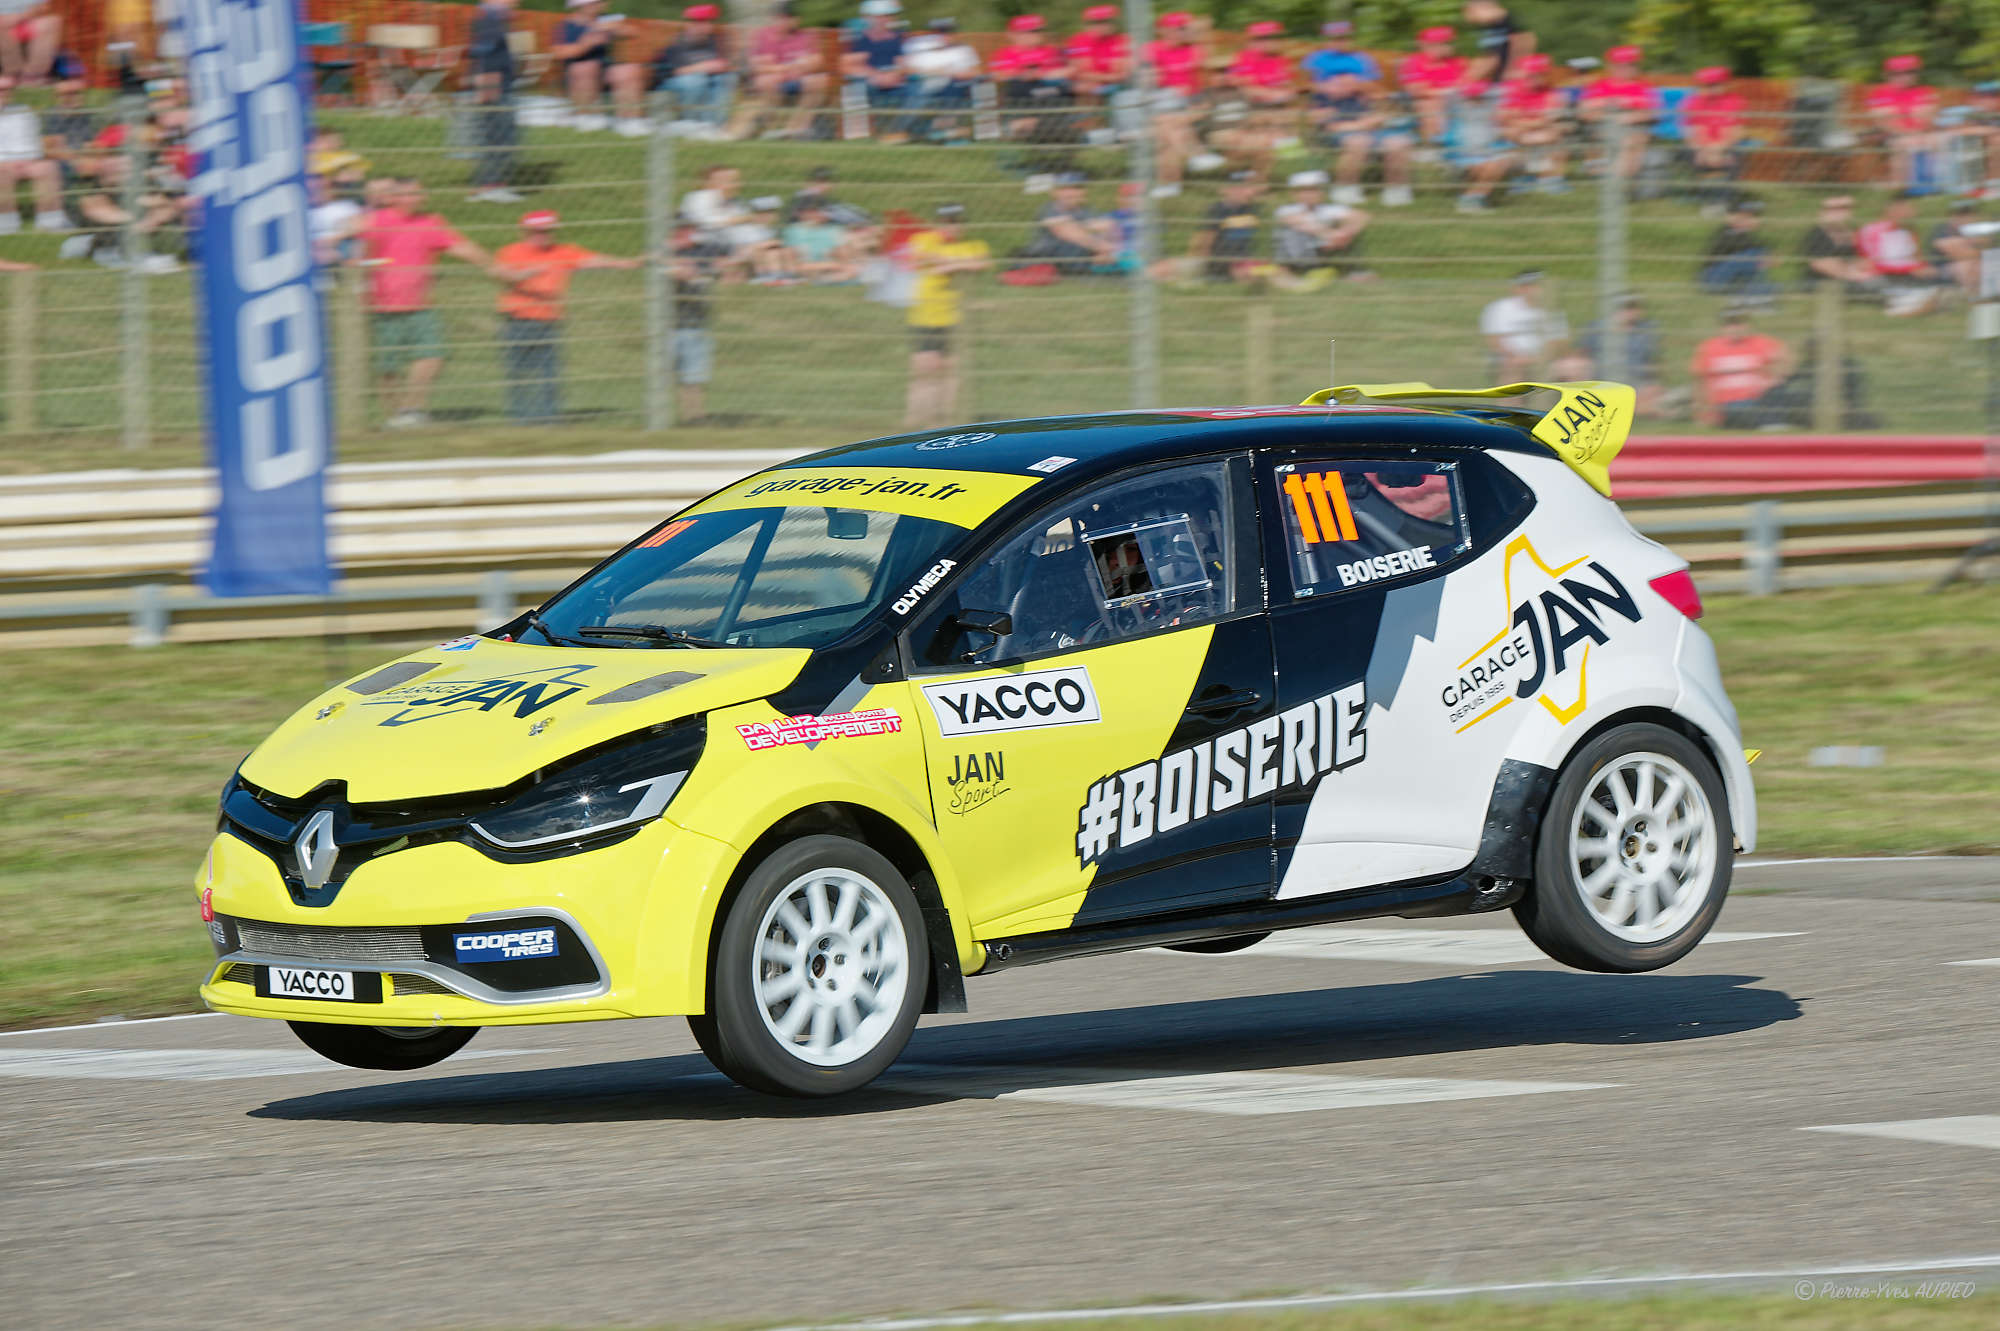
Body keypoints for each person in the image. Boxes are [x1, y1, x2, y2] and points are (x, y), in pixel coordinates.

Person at [357, 178, 494, 429]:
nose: (417, 199)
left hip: (421, 304)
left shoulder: (430, 223)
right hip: (382, 305)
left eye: (419, 194)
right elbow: (349, 238)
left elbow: (463, 248)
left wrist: (493, 266)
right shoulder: (376, 220)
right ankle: (394, 415)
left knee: (432, 354)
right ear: (394, 197)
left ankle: (413, 409)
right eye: (409, 194)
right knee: (387, 366)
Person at [490, 209, 642, 422]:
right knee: (520, 374)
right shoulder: (511, 252)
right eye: (539, 232)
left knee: (549, 375)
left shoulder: (562, 252)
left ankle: (549, 419)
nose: (545, 236)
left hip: (548, 323)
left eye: (549, 231)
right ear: (525, 232)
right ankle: (521, 419)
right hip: (518, 322)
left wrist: (625, 263)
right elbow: (501, 274)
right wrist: (527, 273)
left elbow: (593, 260)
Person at [904, 202, 990, 429]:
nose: (951, 227)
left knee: (952, 371)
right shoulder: (923, 239)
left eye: (956, 222)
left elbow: (982, 263)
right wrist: (958, 264)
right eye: (947, 222)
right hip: (927, 315)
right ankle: (916, 420)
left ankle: (945, 420)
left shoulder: (972, 245)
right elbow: (916, 260)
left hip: (956, 319)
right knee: (925, 370)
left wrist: (943, 265)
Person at [666, 214, 730, 423]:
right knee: (672, 374)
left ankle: (696, 417)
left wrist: (694, 274)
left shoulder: (702, 250)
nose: (685, 233)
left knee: (694, 377)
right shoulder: (665, 252)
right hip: (669, 324)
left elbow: (716, 270)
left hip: (695, 323)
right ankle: (673, 417)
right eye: (680, 229)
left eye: (688, 228)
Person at [737, 1, 826, 140]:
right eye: (782, 18)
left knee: (820, 81)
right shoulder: (763, 36)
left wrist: (799, 67)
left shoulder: (805, 36)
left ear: (796, 20)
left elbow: (817, 61)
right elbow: (757, 67)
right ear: (775, 18)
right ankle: (771, 128)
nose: (785, 21)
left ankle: (795, 129)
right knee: (765, 82)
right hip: (776, 80)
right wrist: (790, 67)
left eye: (790, 17)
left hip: (798, 80)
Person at [1690, 308, 1792, 428]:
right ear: (1722, 327)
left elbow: (1786, 364)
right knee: (1741, 411)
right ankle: (1772, 422)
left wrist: (1774, 376)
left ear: (1747, 325)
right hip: (1727, 406)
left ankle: (1772, 421)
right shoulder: (1709, 348)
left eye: (1739, 323)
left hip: (1760, 399)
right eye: (1730, 324)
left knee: (1786, 395)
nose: (1735, 328)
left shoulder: (1762, 343)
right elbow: (1700, 383)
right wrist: (1703, 413)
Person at [554, 1, 641, 135]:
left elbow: (634, 32)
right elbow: (559, 53)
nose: (601, 5)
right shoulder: (566, 25)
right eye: (595, 3)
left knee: (629, 70)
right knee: (587, 67)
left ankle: (629, 121)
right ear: (582, 5)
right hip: (576, 75)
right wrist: (585, 45)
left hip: (604, 71)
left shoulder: (606, 20)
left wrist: (617, 29)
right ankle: (586, 117)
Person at [1272, 170, 1369, 289]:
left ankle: (1355, 272)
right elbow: (1300, 222)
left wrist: (1345, 232)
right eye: (1304, 190)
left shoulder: (1328, 209)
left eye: (1314, 190)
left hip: (1320, 249)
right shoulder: (1287, 209)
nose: (1310, 194)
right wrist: (1329, 235)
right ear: (1295, 194)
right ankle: (1286, 271)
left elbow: (1361, 216)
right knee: (1289, 232)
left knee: (1349, 232)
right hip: (1296, 252)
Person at [1143, 11, 1204, 197]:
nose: (1182, 32)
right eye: (1178, 29)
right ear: (1164, 31)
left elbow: (1202, 80)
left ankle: (1168, 183)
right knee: (1166, 126)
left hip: (1192, 102)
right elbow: (1149, 81)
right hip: (1163, 103)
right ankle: (1194, 155)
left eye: (1184, 28)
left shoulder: (1193, 49)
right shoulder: (1152, 49)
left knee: (1165, 128)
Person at [466, 0, 521, 204]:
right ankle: (491, 186)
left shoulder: (490, 17)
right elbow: (484, 55)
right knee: (497, 138)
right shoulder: (489, 18)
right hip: (495, 87)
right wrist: (486, 87)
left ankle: (493, 185)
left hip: (497, 84)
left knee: (496, 138)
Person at [1576, 293, 1665, 417]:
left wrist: (1652, 384)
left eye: (1636, 307)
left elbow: (1653, 362)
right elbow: (1583, 355)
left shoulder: (1646, 330)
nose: (1633, 311)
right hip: (1602, 379)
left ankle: (1621, 410)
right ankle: (1628, 410)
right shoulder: (1597, 328)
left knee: (1655, 394)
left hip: (1636, 382)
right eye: (1627, 307)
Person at [651, 5, 734, 134]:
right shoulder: (677, 42)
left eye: (709, 22)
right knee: (695, 79)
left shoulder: (714, 42)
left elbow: (723, 64)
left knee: (726, 78)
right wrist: (705, 67)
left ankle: (714, 124)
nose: (707, 26)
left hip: (705, 81)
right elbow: (676, 71)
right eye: (702, 22)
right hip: (670, 85)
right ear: (690, 24)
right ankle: (690, 122)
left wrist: (721, 66)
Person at [1858, 192, 1943, 316]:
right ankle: (1908, 304)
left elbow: (1916, 259)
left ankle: (1914, 302)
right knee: (1874, 282)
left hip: (1906, 276)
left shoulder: (1908, 232)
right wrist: (1912, 268)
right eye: (1907, 208)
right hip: (1884, 276)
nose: (1911, 212)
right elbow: (1873, 263)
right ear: (1893, 209)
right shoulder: (1871, 231)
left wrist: (1923, 267)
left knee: (1933, 279)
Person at [1579, 45, 1655, 178]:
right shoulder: (1599, 86)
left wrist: (1623, 114)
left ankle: (1613, 179)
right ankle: (1615, 180)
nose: (1629, 69)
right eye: (1623, 65)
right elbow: (1584, 112)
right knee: (1627, 142)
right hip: (1603, 128)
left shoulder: (1642, 87)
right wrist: (1615, 108)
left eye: (1632, 65)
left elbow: (1650, 113)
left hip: (1633, 130)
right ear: (1612, 66)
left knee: (1632, 141)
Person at [1868, 55, 1940, 193]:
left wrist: (1920, 130)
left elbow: (1930, 118)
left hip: (1922, 133)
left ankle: (1932, 184)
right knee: (1903, 143)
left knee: (1936, 141)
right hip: (1892, 135)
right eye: (1897, 73)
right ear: (1888, 75)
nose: (1904, 76)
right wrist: (1908, 133)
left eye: (1910, 72)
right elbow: (1882, 122)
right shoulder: (1879, 93)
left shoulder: (1925, 92)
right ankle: (1901, 185)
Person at [1017, 175, 1117, 274]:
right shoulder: (1049, 209)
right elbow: (1065, 231)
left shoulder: (1088, 211)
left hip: (1085, 262)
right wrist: (1101, 246)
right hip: (1052, 261)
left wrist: (1102, 252)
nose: (1071, 193)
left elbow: (1107, 226)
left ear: (1084, 192)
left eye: (1076, 188)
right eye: (1064, 188)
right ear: (1054, 193)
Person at [1498, 53, 1568, 193]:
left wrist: (1522, 122)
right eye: (1532, 74)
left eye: (1540, 74)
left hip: (1535, 133)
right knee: (1511, 134)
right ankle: (1523, 179)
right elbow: (1504, 118)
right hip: (1523, 134)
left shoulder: (1552, 92)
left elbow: (1550, 119)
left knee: (1557, 133)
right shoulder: (1512, 90)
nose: (1536, 78)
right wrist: (1536, 123)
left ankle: (1551, 179)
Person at [903, 17, 981, 143]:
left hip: (952, 87)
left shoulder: (963, 50)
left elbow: (975, 72)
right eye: (939, 32)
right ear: (932, 33)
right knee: (918, 90)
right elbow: (907, 70)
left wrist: (949, 73)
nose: (945, 35)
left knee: (954, 86)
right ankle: (934, 132)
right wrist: (939, 72)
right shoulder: (919, 47)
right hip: (924, 85)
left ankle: (940, 132)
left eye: (948, 31)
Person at [0, 74, 62, 232]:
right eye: (1, 89)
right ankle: (7, 224)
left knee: (48, 167)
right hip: (3, 162)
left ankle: (50, 222)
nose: (4, 93)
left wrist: (30, 159)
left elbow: (32, 141)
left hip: (27, 160)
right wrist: (9, 162)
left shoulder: (23, 111)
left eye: (8, 90)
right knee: (2, 171)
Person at [991, 15, 1070, 140]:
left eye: (1039, 30)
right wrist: (1021, 75)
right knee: (1017, 87)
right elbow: (997, 76)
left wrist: (1042, 74)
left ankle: (1029, 125)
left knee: (1063, 90)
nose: (1039, 34)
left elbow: (1067, 71)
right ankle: (1034, 126)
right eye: (1033, 31)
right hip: (1023, 96)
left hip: (1049, 94)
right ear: (1018, 34)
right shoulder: (1006, 53)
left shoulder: (1050, 51)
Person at [1480, 269, 1566, 381]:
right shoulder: (1500, 308)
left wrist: (1540, 359)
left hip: (1545, 359)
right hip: (1512, 359)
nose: (1533, 290)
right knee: (1513, 367)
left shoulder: (1552, 310)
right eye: (1527, 286)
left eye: (1536, 285)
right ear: (1517, 288)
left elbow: (1558, 343)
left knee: (1575, 366)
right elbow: (1495, 341)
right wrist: (1517, 357)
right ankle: (1512, 398)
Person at [1447, 81, 1518, 213]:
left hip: (1485, 153)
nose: (1477, 100)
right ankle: (1470, 200)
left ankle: (1473, 198)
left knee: (1505, 160)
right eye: (1472, 97)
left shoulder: (1486, 111)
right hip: (1464, 155)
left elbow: (1502, 92)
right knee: (1492, 165)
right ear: (1465, 98)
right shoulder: (1461, 114)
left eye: (1480, 97)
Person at [1683, 67, 1747, 209]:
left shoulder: (1734, 100)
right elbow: (1692, 132)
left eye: (1717, 84)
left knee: (1734, 156)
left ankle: (1726, 200)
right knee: (1693, 155)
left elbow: (1736, 131)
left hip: (1726, 146)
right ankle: (1709, 200)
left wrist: (1720, 149)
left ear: (1725, 84)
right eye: (1709, 85)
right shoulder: (1693, 102)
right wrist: (1703, 150)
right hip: (1702, 147)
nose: (1713, 88)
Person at [843, 0, 909, 137]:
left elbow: (903, 63)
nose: (883, 20)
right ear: (869, 18)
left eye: (886, 16)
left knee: (916, 90)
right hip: (872, 80)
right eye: (879, 16)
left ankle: (894, 131)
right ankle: (863, 134)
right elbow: (848, 64)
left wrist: (895, 75)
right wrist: (875, 76)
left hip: (894, 80)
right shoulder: (862, 39)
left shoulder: (897, 38)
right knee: (858, 88)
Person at [1190, 171, 1265, 284]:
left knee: (1267, 270)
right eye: (1239, 188)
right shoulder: (1216, 210)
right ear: (1224, 190)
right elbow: (1203, 241)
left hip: (1243, 262)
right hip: (1220, 262)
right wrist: (1205, 266)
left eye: (1249, 187)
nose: (1247, 192)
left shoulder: (1252, 209)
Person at [1697, 198, 1776, 303]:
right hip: (1713, 279)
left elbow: (1770, 258)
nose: (1747, 220)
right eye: (1744, 217)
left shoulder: (1749, 237)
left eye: (1751, 217)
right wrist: (1763, 258)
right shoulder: (1727, 232)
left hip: (1731, 281)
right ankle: (1756, 292)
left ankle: (1756, 292)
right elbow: (1758, 257)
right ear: (1731, 217)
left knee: (1754, 256)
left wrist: (1765, 256)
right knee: (1748, 256)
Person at [1397, 26, 1466, 145]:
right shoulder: (1415, 62)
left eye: (1449, 43)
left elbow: (1467, 84)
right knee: (1429, 104)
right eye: (1445, 43)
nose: (1449, 46)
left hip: (1456, 101)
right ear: (1427, 45)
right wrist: (1448, 92)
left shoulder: (1457, 61)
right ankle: (1433, 146)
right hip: (1428, 103)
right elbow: (1418, 91)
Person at [1797, 194, 1874, 294]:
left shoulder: (1853, 231)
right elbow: (1819, 264)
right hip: (1823, 282)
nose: (1840, 212)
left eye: (1845, 208)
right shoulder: (1818, 233)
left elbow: (1863, 259)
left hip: (1853, 277)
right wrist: (1851, 274)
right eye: (1834, 209)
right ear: (1823, 212)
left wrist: (1861, 269)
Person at [782, 199, 861, 283]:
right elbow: (795, 260)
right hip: (807, 267)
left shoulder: (833, 229)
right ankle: (831, 278)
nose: (814, 215)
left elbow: (843, 252)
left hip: (832, 266)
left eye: (818, 211)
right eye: (809, 212)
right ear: (800, 214)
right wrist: (835, 265)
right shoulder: (794, 230)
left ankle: (831, 278)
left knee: (848, 254)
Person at [1063, 6, 1129, 104]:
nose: (1102, 26)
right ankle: (1088, 118)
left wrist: (1096, 78)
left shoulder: (1121, 40)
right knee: (1083, 88)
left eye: (1107, 21)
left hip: (1114, 86)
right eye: (1097, 22)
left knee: (1090, 88)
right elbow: (1077, 72)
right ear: (1089, 24)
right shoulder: (1077, 41)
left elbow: (1121, 74)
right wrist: (1106, 77)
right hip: (1085, 86)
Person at [1463, 1, 1532, 85]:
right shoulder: (1486, 27)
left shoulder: (1505, 21)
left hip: (1509, 78)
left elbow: (1525, 39)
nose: (1468, 17)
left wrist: (1514, 67)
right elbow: (1489, 55)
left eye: (1471, 12)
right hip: (1496, 78)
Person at [1929, 198, 1986, 298]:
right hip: (1942, 269)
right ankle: (1973, 298)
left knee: (1979, 264)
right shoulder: (1942, 230)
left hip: (1969, 264)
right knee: (1965, 265)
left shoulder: (1974, 231)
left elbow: (1986, 250)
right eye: (1961, 215)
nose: (1965, 218)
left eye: (1968, 214)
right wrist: (1975, 250)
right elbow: (1957, 255)